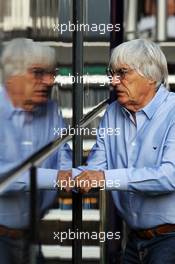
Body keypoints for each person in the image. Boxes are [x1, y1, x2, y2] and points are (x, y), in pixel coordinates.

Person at [70, 39, 175, 263]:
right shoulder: (112, 113)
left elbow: (169, 177)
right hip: (134, 243)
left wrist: (103, 177)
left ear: (151, 77)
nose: (114, 81)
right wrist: (59, 177)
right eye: (112, 73)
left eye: (123, 73)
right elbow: (96, 170)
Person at [0, 38, 72, 264]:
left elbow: (63, 152)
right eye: (38, 73)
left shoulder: (50, 109)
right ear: (13, 76)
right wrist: (58, 178)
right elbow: (5, 176)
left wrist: (68, 172)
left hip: (30, 236)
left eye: (52, 73)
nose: (49, 81)